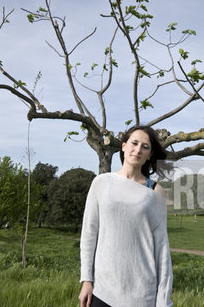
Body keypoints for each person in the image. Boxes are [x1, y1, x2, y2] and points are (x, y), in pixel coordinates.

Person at [79, 125, 173, 307]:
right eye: (134, 143)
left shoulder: (155, 191)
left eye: (145, 147)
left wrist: (164, 301)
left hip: (142, 296)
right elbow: (89, 233)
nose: (138, 150)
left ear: (150, 155)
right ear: (123, 146)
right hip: (102, 292)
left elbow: (162, 249)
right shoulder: (101, 183)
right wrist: (86, 280)